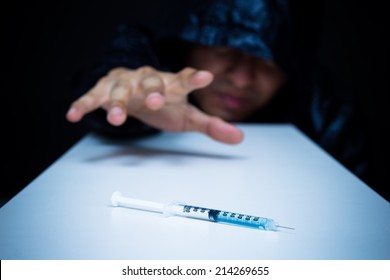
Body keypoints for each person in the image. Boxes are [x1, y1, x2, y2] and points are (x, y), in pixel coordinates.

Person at [66, 0, 368, 184]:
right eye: (225, 48)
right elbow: (122, 65)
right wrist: (125, 96)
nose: (241, 78)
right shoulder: (150, 54)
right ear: (189, 41)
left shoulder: (326, 109)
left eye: (268, 60)